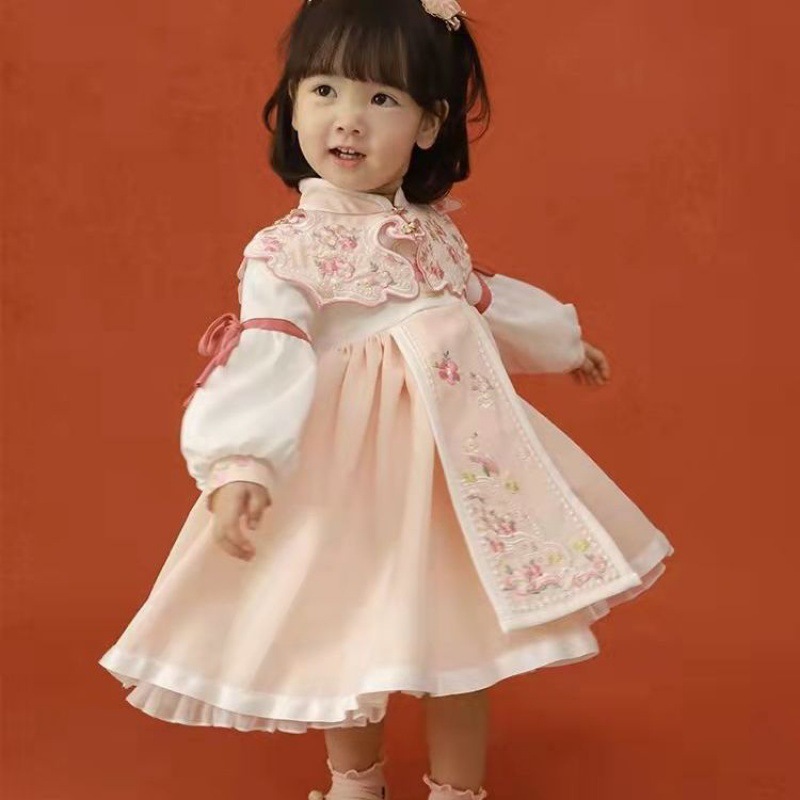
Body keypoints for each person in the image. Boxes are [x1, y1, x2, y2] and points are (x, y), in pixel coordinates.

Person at [98, 1, 674, 798]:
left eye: (380, 98)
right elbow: (268, 352)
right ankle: (355, 783)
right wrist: (241, 461)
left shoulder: (430, 232)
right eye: (324, 90)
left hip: (454, 480)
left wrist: (564, 345)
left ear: (429, 124)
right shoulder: (288, 250)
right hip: (352, 481)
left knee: (466, 644)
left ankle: (458, 791)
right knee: (346, 636)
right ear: (293, 103)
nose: (348, 118)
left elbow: (480, 303)